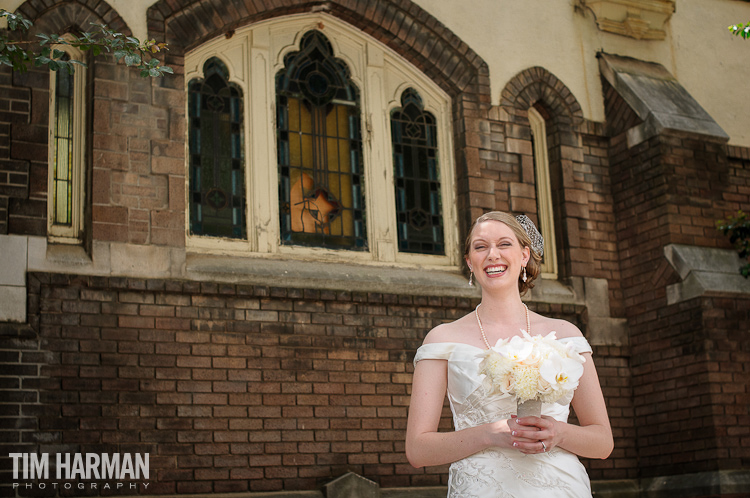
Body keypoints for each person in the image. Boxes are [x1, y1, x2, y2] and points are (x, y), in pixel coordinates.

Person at [405, 211, 613, 498]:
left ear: (524, 255)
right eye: (480, 247)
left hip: (561, 488)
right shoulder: (442, 340)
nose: (492, 254)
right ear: (469, 262)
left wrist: (559, 433)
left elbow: (603, 443)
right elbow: (418, 450)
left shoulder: (566, 335)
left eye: (504, 244)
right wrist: (490, 434)